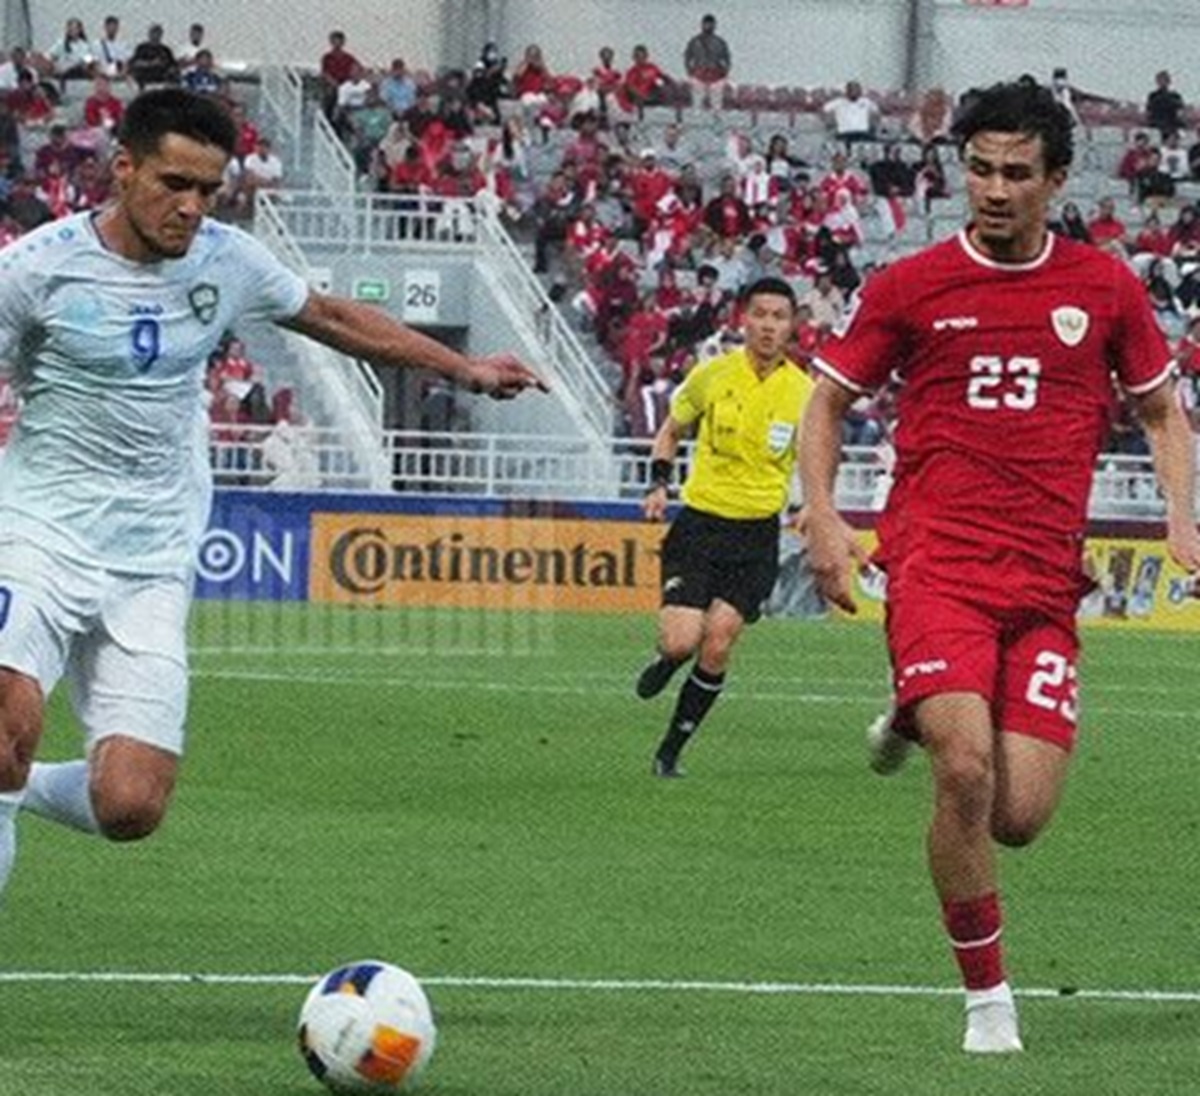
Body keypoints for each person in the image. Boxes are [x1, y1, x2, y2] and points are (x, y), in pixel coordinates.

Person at [0, 88, 548, 904]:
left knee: (130, 806)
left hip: (151, 555)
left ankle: (21, 786)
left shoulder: (226, 261)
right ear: (123, 169)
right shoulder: (36, 271)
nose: (190, 206)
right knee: (4, 724)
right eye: (173, 183)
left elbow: (328, 315)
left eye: (208, 190)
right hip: (37, 529)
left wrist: (459, 366)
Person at [799, 80, 1200, 1055]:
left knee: (1018, 815)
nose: (994, 187)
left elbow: (1158, 411)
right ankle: (989, 999)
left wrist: (1185, 519)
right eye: (979, 167)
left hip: (1044, 585)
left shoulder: (1105, 290)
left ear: (1056, 180)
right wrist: (820, 514)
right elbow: (825, 402)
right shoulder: (910, 285)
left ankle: (910, 707)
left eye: (1017, 172)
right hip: (936, 562)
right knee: (966, 767)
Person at [635, 277, 814, 777]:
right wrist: (658, 484)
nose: (769, 325)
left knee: (718, 641)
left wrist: (811, 504)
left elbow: (817, 456)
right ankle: (667, 661)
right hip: (700, 525)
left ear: (793, 326)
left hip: (756, 534)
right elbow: (672, 429)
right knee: (680, 640)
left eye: (780, 317)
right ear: (743, 319)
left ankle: (670, 752)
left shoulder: (804, 392)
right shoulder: (712, 375)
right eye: (760, 314)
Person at [683, 13, 731, 109]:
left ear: (715, 26)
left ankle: (716, 122)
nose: (709, 26)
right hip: (698, 75)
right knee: (697, 104)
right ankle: (696, 121)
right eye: (706, 24)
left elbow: (727, 58)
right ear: (702, 25)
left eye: (711, 24)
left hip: (716, 75)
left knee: (717, 105)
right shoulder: (695, 41)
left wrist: (725, 72)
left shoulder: (720, 42)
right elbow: (687, 57)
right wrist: (690, 71)